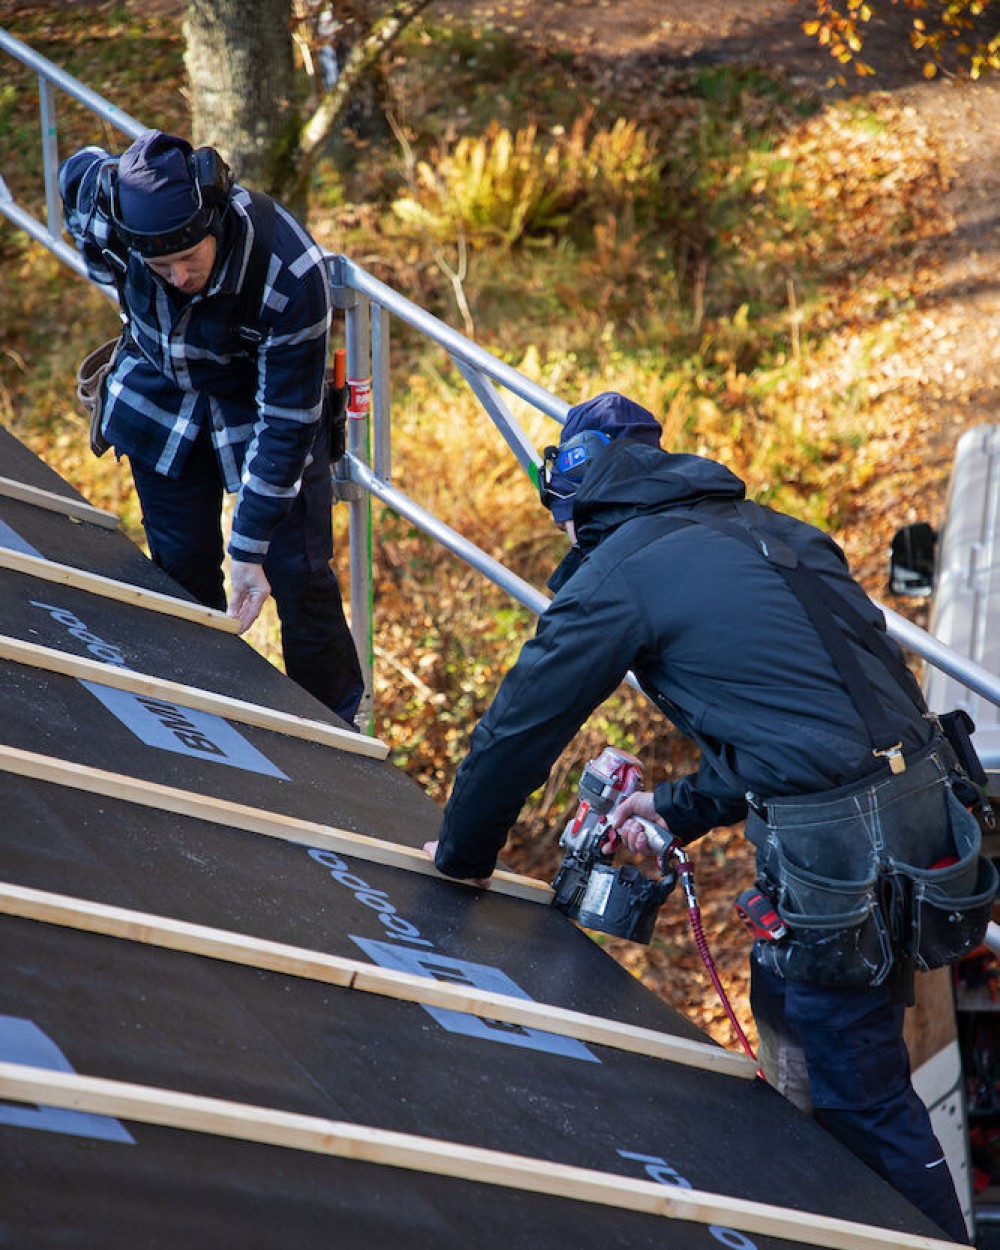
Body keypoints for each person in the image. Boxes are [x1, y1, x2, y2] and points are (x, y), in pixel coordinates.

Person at [425, 391, 996, 1243]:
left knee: (859, 1097)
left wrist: (463, 854)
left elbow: (520, 725)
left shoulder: (621, 568)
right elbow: (807, 726)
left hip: (839, 853)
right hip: (927, 818)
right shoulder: (779, 533)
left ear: (578, 499)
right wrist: (671, 809)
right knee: (806, 1055)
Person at [60, 129, 364, 725]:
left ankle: (336, 721)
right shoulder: (108, 207)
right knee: (180, 565)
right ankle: (203, 705)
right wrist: (129, 296)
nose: (176, 277)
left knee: (297, 573)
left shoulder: (289, 271)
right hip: (160, 389)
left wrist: (249, 546)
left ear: (215, 223)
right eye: (159, 265)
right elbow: (76, 174)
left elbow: (286, 423)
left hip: (256, 398)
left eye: (188, 260)